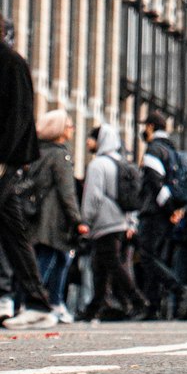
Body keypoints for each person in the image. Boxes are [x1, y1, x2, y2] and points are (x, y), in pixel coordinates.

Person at [0, 18, 57, 329]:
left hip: (4, 163)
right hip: (6, 162)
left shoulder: (11, 63)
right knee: (12, 232)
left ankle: (38, 302)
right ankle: (37, 302)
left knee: (13, 233)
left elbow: (19, 117)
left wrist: (5, 160)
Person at [80, 123, 147, 321]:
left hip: (104, 223)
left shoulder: (97, 165)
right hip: (121, 221)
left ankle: (138, 300)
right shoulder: (123, 163)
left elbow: (93, 196)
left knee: (112, 263)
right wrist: (131, 222)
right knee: (101, 266)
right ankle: (96, 306)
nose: (88, 141)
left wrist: (86, 220)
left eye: (91, 137)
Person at [27, 109, 88, 322]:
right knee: (48, 259)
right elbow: (67, 192)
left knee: (57, 258)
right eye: (69, 125)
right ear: (60, 130)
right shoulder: (60, 155)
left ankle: (54, 302)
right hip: (55, 219)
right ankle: (39, 303)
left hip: (37, 216)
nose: (72, 129)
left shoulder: (38, 152)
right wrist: (78, 220)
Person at [135, 112, 187, 319]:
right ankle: (152, 307)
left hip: (154, 212)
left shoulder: (154, 150)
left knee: (147, 256)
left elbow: (155, 182)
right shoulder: (173, 150)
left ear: (151, 127)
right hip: (168, 214)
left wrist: (170, 209)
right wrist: (176, 211)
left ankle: (179, 290)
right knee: (156, 257)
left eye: (146, 126)